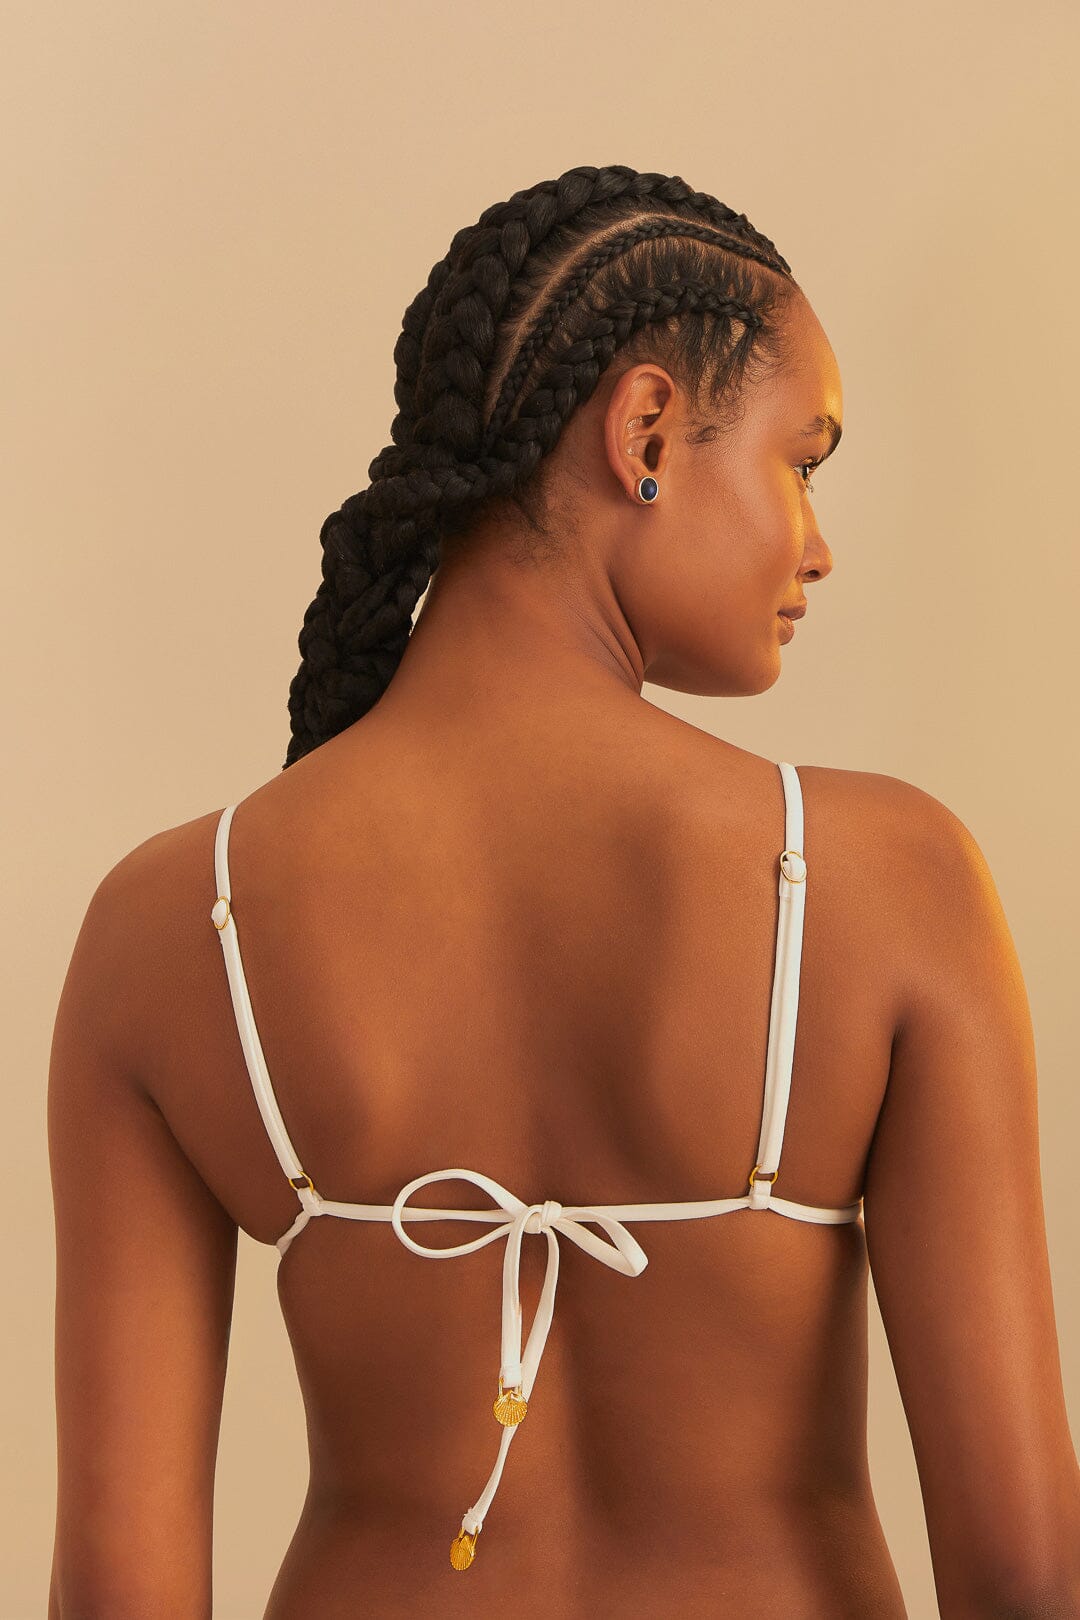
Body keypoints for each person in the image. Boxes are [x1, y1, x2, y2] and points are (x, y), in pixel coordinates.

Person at [48, 163, 1080, 1618]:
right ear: (646, 430)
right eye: (803, 462)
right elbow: (1027, 1579)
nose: (818, 543)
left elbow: (119, 1598)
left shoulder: (171, 925)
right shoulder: (889, 884)